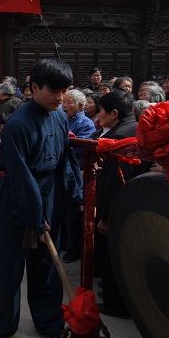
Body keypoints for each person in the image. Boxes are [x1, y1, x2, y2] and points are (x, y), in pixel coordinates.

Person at [0, 58, 83, 338]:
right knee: (9, 270)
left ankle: (49, 322)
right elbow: (19, 175)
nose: (60, 97)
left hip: (50, 197)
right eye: (53, 90)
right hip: (18, 203)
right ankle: (3, 327)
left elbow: (65, 163)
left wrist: (77, 197)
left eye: (64, 91)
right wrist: (34, 215)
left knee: (47, 268)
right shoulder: (17, 124)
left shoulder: (59, 117)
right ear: (33, 88)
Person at [94, 90, 152, 318]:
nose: (98, 116)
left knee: (115, 256)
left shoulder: (120, 138)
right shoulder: (134, 128)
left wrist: (106, 216)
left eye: (101, 110)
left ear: (114, 113)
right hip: (135, 204)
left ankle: (115, 304)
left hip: (120, 207)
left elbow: (115, 181)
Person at [60, 89, 94, 263]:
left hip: (76, 172)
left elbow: (81, 149)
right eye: (63, 102)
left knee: (73, 214)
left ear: (81, 106)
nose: (65, 106)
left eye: (69, 102)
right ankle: (64, 242)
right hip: (62, 171)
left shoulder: (86, 124)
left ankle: (74, 249)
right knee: (63, 211)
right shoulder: (62, 119)